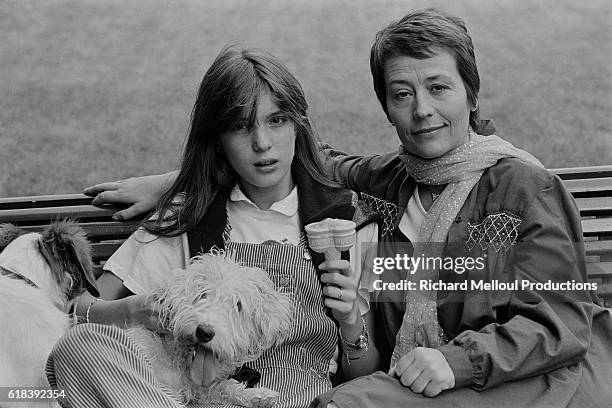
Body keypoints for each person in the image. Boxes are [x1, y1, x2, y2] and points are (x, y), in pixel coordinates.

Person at [84, 8, 612, 408]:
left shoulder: (524, 187)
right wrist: (181, 180)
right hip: (425, 382)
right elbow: (310, 161)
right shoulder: (393, 180)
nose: (422, 110)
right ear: (387, 107)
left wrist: (457, 360)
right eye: (402, 94)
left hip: (531, 383)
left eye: (438, 87)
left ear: (472, 95)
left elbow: (563, 320)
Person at [46, 45, 383, 408]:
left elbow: (366, 377)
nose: (262, 143)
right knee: (77, 348)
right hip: (180, 398)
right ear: (217, 140)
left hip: (296, 400)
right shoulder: (188, 219)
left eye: (276, 120)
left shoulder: (346, 224)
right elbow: (79, 307)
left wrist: (350, 320)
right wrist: (129, 311)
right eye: (240, 126)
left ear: (299, 125)